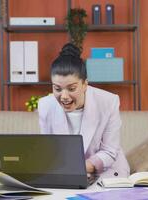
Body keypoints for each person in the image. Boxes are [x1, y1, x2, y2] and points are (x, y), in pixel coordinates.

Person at [38, 43, 130, 178]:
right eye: (57, 89)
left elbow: (110, 151)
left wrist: (78, 168)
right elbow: (49, 150)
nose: (64, 96)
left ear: (85, 84)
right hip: (66, 173)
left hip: (106, 171)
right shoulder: (45, 105)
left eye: (71, 88)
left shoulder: (108, 102)